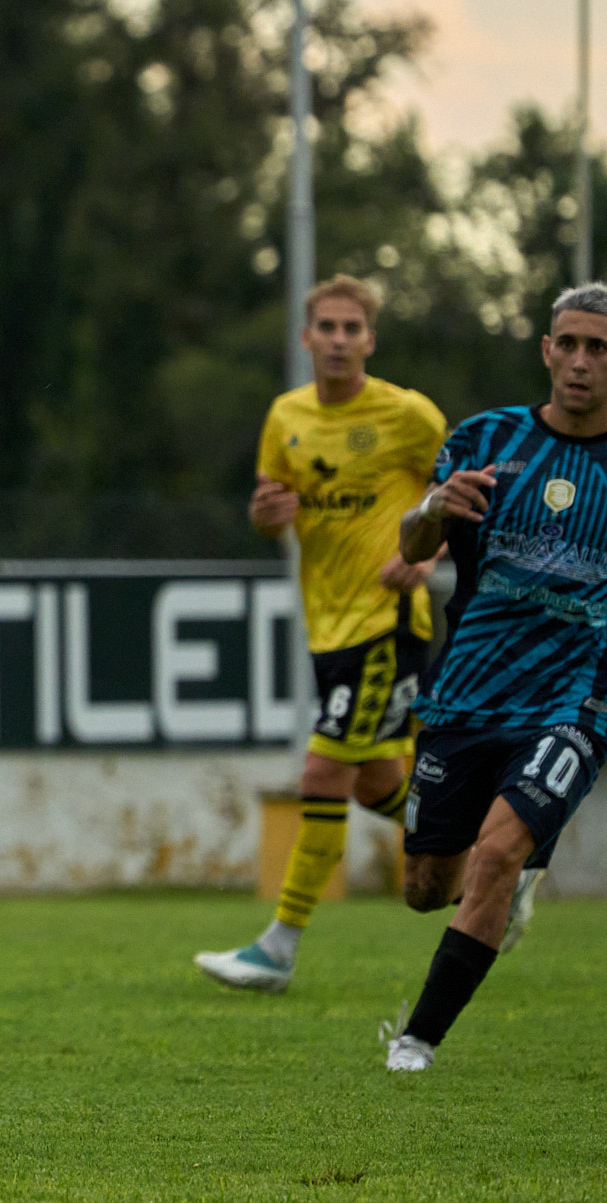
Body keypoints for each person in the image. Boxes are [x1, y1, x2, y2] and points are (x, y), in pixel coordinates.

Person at [194, 275, 446, 992]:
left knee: (321, 772)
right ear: (306, 338)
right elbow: (272, 513)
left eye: (351, 328)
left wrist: (423, 552)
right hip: (326, 623)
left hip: (387, 621)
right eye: (326, 327)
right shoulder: (286, 416)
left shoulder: (409, 415)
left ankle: (279, 945)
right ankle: (493, 854)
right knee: (375, 785)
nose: (338, 339)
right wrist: (267, 516)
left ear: (371, 339)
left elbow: (463, 501)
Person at [380, 283, 607, 1072]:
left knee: (498, 851)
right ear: (546, 349)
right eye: (570, 344)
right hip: (469, 689)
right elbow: (412, 547)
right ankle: (509, 884)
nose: (582, 362)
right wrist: (434, 505)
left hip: (575, 698)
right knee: (423, 885)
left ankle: (417, 1040)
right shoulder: (485, 439)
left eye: (600, 348)